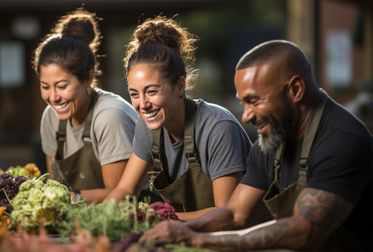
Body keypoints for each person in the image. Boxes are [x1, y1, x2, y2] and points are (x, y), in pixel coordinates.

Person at [140, 40, 373, 251]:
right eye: (243, 103)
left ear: (296, 90)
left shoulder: (342, 140)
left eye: (254, 101)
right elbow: (235, 215)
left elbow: (306, 232)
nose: (246, 116)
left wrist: (197, 239)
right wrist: (174, 226)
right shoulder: (272, 138)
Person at [104, 16, 252, 221]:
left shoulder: (218, 128)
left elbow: (226, 214)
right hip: (187, 236)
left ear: (180, 86)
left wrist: (157, 218)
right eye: (135, 94)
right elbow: (125, 190)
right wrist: (95, 216)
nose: (143, 104)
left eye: (152, 91)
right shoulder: (148, 126)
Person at [33, 9, 138, 203]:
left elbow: (120, 195)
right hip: (79, 220)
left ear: (88, 77)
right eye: (45, 86)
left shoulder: (110, 116)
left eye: (62, 86)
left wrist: (70, 198)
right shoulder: (51, 117)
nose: (53, 97)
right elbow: (55, 185)